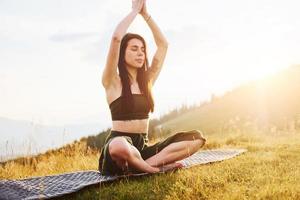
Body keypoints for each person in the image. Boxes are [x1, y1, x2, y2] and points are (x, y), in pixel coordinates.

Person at [99, 0, 206, 175]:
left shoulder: (147, 81)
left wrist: (145, 15)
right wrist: (134, 11)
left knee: (196, 138)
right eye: (134, 49)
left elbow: (163, 45)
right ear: (122, 54)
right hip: (120, 149)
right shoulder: (112, 81)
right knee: (119, 145)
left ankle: (140, 166)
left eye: (142, 49)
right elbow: (116, 38)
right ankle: (152, 169)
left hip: (142, 149)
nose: (140, 53)